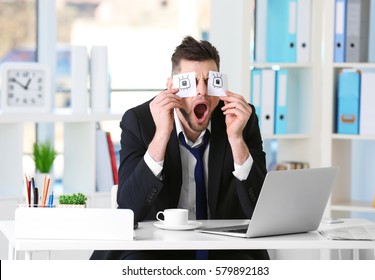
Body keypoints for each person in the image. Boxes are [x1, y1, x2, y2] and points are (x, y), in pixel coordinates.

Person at [90, 36, 269, 260]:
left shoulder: (241, 118)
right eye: (191, 83)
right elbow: (128, 210)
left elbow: (261, 212)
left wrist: (236, 140)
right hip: (155, 248)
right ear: (172, 87)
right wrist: (162, 134)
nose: (201, 92)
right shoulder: (139, 120)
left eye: (209, 81)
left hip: (225, 248)